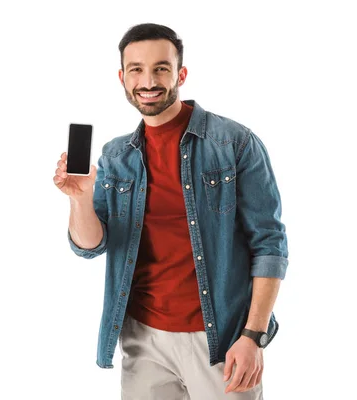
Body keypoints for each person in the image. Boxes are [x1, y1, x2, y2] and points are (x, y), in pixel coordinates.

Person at [53, 23, 289, 400]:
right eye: (137, 69)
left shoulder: (234, 143)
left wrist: (253, 337)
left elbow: (270, 246)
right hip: (142, 338)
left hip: (221, 339)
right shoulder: (117, 156)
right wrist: (79, 198)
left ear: (180, 73)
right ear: (122, 78)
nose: (149, 80)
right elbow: (90, 246)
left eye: (161, 68)